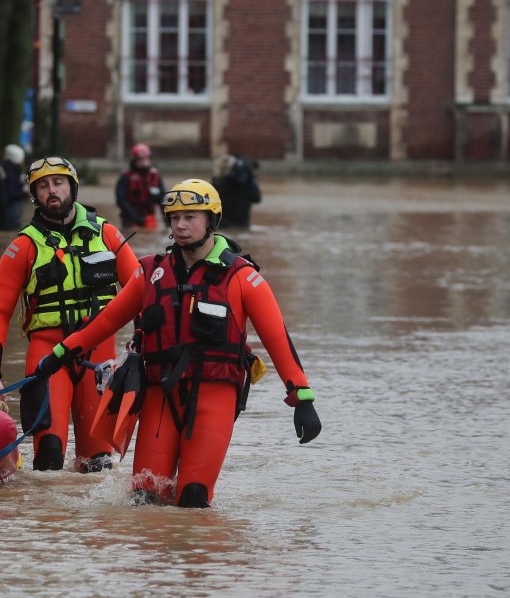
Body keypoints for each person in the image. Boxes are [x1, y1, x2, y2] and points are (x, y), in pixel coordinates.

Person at [32, 178, 321, 507]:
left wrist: (302, 398)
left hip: (214, 396)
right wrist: (59, 354)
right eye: (174, 218)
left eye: (190, 217)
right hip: (158, 396)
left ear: (211, 220)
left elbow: (278, 341)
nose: (180, 226)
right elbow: (106, 321)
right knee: (144, 498)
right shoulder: (150, 272)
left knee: (193, 499)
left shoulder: (243, 278)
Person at [0, 156, 140, 472]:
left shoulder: (107, 234)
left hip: (100, 358)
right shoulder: (23, 246)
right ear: (34, 195)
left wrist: (143, 342)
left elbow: (142, 292)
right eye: (42, 186)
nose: (51, 191)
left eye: (58, 183)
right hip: (47, 355)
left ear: (72, 186)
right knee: (49, 459)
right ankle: (47, 520)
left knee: (98, 465)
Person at [115, 143, 166, 230]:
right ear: (135, 160)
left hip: (149, 218)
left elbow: (163, 200)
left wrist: (167, 221)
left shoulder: (155, 176)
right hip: (130, 219)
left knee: (151, 238)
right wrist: (136, 217)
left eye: (146, 158)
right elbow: (121, 200)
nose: (144, 161)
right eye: (141, 159)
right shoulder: (126, 177)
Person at [212, 154, 262, 229]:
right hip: (240, 225)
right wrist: (251, 178)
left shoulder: (215, 183)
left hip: (222, 226)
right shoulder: (243, 185)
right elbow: (257, 198)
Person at [0, 144, 28, 231]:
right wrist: (25, 192)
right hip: (9, 216)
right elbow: (11, 193)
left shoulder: (6, 169)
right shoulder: (11, 172)